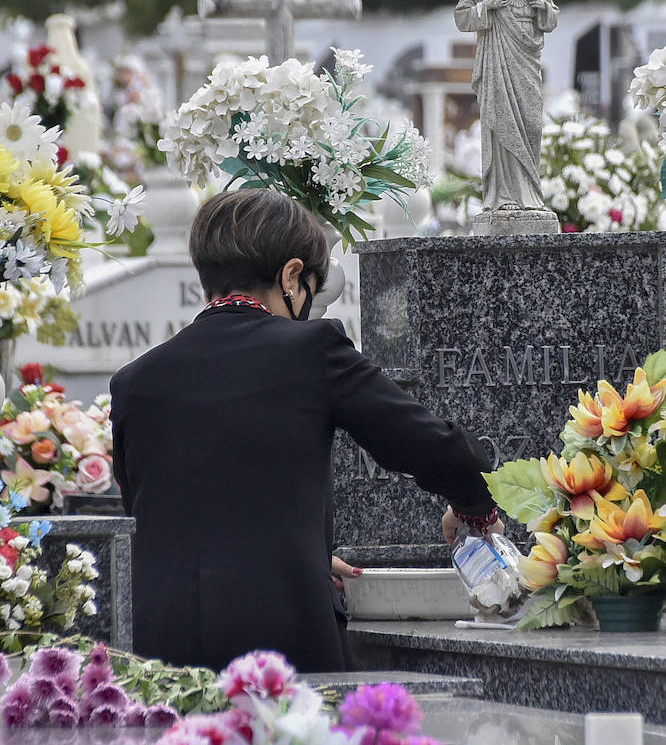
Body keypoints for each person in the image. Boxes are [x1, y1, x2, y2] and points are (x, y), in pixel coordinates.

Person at [110, 189, 499, 672]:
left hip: (158, 647)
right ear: (292, 276)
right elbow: (424, 443)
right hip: (277, 639)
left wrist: (300, 551)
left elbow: (151, 510)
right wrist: (476, 507)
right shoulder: (310, 348)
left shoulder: (134, 381)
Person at [454, 0, 559, 212]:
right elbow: (461, 16)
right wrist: (487, 7)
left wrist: (541, 7)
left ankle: (530, 195)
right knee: (502, 121)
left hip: (526, 59)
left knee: (532, 124)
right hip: (497, 58)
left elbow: (551, 17)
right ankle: (504, 197)